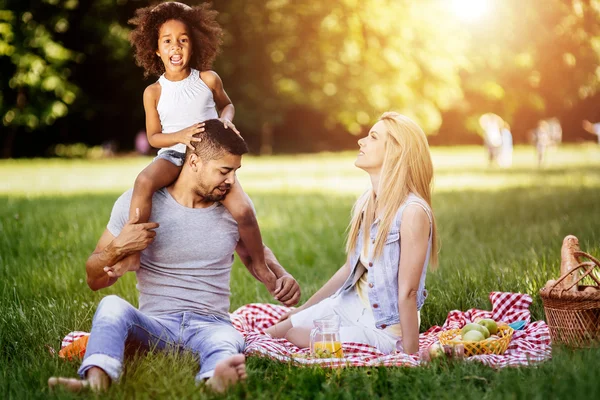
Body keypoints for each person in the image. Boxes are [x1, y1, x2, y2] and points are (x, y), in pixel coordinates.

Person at [48, 119, 301, 393]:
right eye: (224, 171)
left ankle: (214, 380)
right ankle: (96, 382)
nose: (231, 181)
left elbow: (257, 253)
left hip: (211, 323)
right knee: (111, 305)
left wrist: (280, 274)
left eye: (235, 172)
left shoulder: (232, 210)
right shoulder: (137, 204)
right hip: (155, 325)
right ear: (193, 163)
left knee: (227, 340)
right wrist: (118, 248)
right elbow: (93, 278)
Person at [116, 1, 269, 287]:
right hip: (174, 154)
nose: (176, 47)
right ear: (156, 50)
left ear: (194, 44)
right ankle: (133, 251)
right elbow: (154, 137)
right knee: (144, 181)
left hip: (211, 160)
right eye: (168, 41)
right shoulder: (154, 92)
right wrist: (181, 135)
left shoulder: (208, 79)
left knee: (245, 211)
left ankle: (260, 264)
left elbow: (228, 106)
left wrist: (226, 121)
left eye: (183, 40)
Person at [266, 112, 438, 355]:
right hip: (347, 305)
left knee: (295, 336)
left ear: (396, 151)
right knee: (274, 332)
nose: (361, 142)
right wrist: (303, 309)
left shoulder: (412, 212)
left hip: (382, 328)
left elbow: (408, 292)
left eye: (373, 137)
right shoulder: (368, 202)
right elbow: (350, 268)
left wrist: (411, 354)